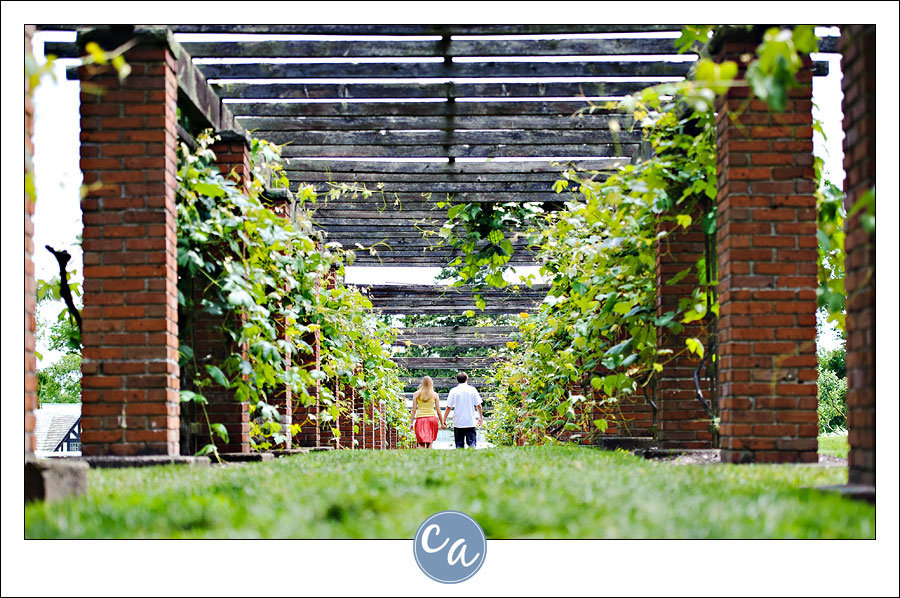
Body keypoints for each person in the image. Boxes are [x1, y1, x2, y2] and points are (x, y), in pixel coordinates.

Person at [443, 371, 483, 449]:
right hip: (470, 421)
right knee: (472, 444)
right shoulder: (472, 390)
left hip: (458, 422)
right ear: (466, 379)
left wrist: (444, 420)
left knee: (459, 445)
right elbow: (479, 405)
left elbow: (448, 407)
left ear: (457, 380)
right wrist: (480, 417)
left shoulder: (453, 391)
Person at [410, 376, 442, 449]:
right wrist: (442, 422)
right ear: (431, 384)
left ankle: (422, 459)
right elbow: (438, 411)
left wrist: (411, 423)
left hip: (420, 420)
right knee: (430, 442)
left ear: (422, 383)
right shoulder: (435, 395)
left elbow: (414, 410)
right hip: (432, 420)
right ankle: (429, 459)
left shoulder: (416, 394)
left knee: (421, 442)